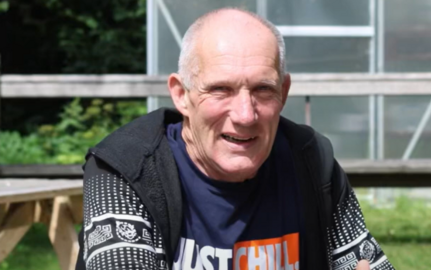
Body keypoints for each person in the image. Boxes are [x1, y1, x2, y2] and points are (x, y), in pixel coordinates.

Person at [75, 8, 394, 270]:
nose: (245, 114)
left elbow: (369, 266)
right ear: (182, 95)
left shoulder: (311, 161)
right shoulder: (125, 171)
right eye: (220, 89)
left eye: (263, 90)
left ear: (283, 93)